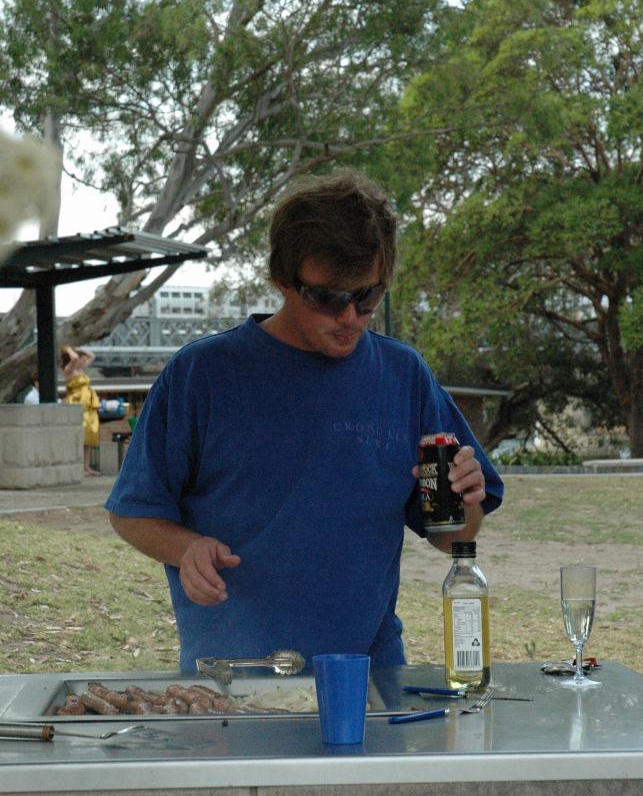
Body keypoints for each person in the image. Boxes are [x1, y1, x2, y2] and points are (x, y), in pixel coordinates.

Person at [105, 168, 504, 673]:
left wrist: (467, 501)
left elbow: (453, 538)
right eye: (328, 297)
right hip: (232, 679)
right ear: (280, 279)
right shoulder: (202, 375)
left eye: (369, 297)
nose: (350, 317)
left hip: (365, 674)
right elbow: (131, 511)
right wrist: (187, 549)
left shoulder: (403, 377)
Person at [61, 345, 100, 477]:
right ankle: (78, 466)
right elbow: (74, 357)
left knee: (88, 438)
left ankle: (86, 467)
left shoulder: (81, 369)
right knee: (79, 437)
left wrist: (81, 349)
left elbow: (92, 356)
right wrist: (68, 349)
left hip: (88, 407)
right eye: (80, 359)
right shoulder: (69, 370)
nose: (82, 361)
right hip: (77, 405)